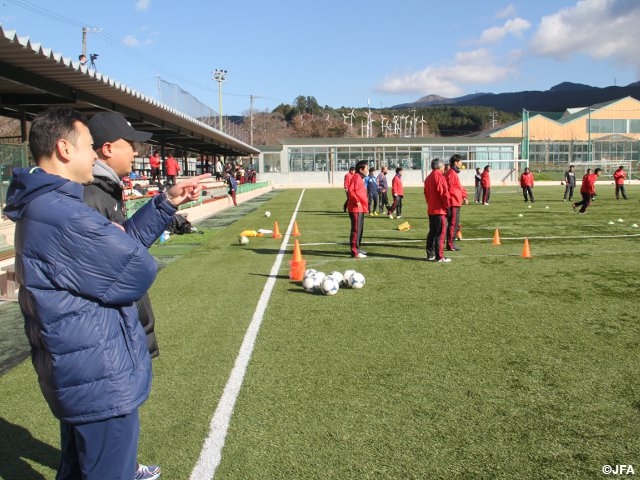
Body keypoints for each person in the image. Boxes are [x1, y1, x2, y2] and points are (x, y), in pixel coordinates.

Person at [4, 107, 209, 480]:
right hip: (97, 372)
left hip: (82, 368)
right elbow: (137, 270)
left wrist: (161, 206)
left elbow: (118, 253)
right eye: (88, 147)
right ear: (65, 149)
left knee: (78, 468)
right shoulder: (61, 214)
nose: (95, 155)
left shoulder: (53, 206)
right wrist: (118, 245)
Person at [84, 111, 161, 480]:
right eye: (131, 145)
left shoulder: (106, 189)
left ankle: (126, 467)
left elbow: (123, 242)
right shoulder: (88, 196)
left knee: (117, 428)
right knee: (108, 426)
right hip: (104, 337)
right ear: (108, 147)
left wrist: (165, 205)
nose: (137, 152)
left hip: (117, 329)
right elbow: (108, 270)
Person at [424, 158, 450, 262]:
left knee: (432, 232)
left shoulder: (428, 177)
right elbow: (444, 193)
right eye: (443, 166)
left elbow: (426, 194)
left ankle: (431, 254)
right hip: (439, 210)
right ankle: (440, 256)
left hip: (432, 209)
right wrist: (447, 206)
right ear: (440, 166)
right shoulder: (439, 176)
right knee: (440, 233)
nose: (444, 168)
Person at [445, 154, 467, 251]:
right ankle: (450, 244)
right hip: (453, 202)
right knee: (453, 224)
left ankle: (451, 243)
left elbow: (458, 187)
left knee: (455, 224)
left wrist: (463, 196)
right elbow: (449, 189)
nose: (461, 163)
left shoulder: (454, 173)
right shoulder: (451, 173)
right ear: (455, 163)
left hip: (456, 202)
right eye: (460, 162)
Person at [347, 160, 369, 258]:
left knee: (360, 230)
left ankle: (358, 248)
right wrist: (357, 201)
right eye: (367, 168)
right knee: (356, 230)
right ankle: (355, 252)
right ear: (361, 169)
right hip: (356, 208)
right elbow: (351, 191)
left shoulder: (359, 177)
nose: (368, 170)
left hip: (360, 208)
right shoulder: (356, 177)